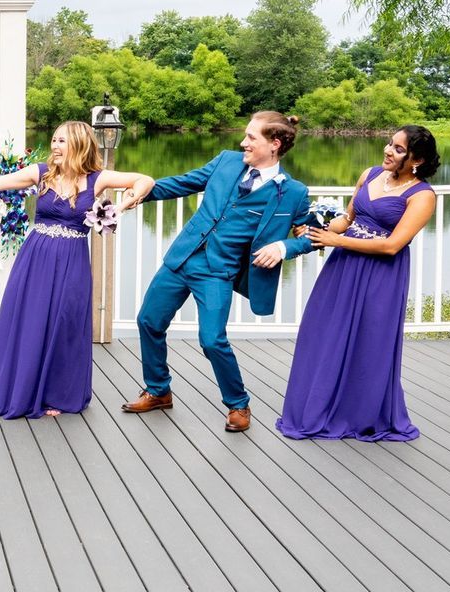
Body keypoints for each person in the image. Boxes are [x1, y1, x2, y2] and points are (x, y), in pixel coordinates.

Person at [116, 111, 315, 432]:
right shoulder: (226, 161)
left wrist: (283, 248)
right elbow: (183, 183)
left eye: (252, 137)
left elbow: (310, 237)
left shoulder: (293, 192)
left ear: (274, 144)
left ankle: (238, 404)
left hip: (218, 272)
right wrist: (139, 192)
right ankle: (158, 390)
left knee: (211, 340)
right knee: (148, 321)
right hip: (182, 258)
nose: (243, 142)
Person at [0, 121, 155, 417]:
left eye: (62, 141)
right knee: (25, 321)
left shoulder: (98, 179)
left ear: (79, 145)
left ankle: (58, 396)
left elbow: (144, 180)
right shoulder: (42, 174)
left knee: (65, 323)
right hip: (35, 258)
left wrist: (123, 205)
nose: (55, 146)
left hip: (72, 262)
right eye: (54, 140)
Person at [276, 125, 439, 442]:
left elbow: (393, 245)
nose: (388, 151)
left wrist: (337, 241)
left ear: (417, 159)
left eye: (399, 149)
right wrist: (316, 230)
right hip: (343, 268)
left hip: (381, 276)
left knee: (369, 342)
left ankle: (361, 415)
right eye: (389, 144)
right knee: (323, 331)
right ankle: (318, 408)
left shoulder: (422, 195)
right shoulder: (370, 174)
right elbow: (347, 221)